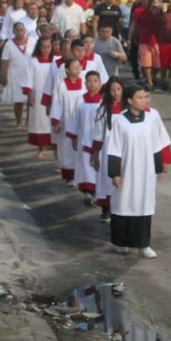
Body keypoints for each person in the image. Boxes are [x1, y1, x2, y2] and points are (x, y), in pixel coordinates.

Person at [106, 84, 171, 258]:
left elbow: (157, 144)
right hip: (127, 170)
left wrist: (160, 168)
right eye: (140, 97)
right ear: (129, 100)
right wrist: (115, 173)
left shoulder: (151, 118)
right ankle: (120, 243)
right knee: (124, 203)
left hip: (146, 171)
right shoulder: (120, 121)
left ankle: (143, 245)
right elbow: (114, 148)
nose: (145, 101)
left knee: (144, 204)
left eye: (146, 97)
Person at [89, 77, 125, 223]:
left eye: (118, 89)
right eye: (112, 90)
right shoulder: (103, 110)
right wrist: (95, 155)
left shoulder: (128, 109)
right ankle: (107, 208)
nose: (116, 93)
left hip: (125, 150)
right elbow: (97, 135)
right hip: (108, 150)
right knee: (107, 180)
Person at [68, 70, 104, 204]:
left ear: (100, 83)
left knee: (98, 166)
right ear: (85, 83)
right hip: (84, 138)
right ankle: (88, 191)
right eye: (89, 81)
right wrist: (73, 136)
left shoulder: (103, 101)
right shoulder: (80, 100)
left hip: (99, 139)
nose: (92, 84)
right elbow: (74, 120)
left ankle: (98, 192)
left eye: (95, 81)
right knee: (85, 165)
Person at [50, 58, 86, 183]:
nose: (77, 69)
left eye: (79, 67)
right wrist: (56, 121)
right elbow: (57, 102)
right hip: (66, 121)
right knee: (66, 148)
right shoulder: (62, 85)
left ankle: (79, 175)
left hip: (80, 121)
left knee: (79, 147)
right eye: (74, 67)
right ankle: (68, 176)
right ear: (67, 70)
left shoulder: (84, 84)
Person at [22, 36, 56, 160]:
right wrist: (29, 94)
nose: (46, 50)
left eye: (48, 47)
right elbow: (29, 78)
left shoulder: (56, 61)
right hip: (38, 95)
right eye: (43, 47)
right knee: (39, 122)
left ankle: (54, 146)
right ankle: (40, 147)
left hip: (54, 95)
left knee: (53, 120)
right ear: (39, 47)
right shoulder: (33, 61)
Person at [0, 22, 36, 130]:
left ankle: (29, 122)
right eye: (18, 30)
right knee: (18, 101)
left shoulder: (32, 41)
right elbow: (4, 61)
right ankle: (18, 122)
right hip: (15, 76)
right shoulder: (9, 44)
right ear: (14, 31)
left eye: (22, 30)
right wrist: (3, 76)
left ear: (25, 30)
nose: (20, 32)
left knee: (31, 99)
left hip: (30, 76)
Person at [130, 0, 161, 88]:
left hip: (156, 39)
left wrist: (156, 1)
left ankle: (152, 77)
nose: (146, 1)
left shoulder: (156, 10)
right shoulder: (138, 11)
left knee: (157, 63)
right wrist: (129, 39)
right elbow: (133, 25)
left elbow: (163, 15)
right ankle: (149, 82)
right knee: (146, 61)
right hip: (143, 39)